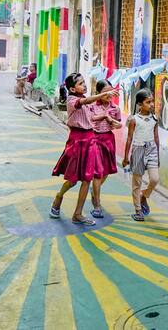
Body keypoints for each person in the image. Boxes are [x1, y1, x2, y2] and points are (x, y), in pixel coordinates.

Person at [49, 73, 116, 226]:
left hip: (89, 140)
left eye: (84, 82)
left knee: (87, 179)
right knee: (72, 180)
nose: (84, 85)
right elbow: (85, 100)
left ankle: (78, 213)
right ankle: (59, 197)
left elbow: (91, 118)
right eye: (81, 83)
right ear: (72, 88)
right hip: (77, 142)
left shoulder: (86, 102)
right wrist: (104, 93)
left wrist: (108, 119)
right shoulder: (73, 100)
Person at [122, 88, 160, 221]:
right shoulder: (134, 119)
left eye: (152, 102)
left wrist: (158, 155)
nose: (151, 104)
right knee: (137, 182)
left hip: (152, 150)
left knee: (155, 179)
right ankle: (138, 210)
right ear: (139, 104)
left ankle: (144, 196)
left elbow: (156, 137)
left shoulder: (155, 118)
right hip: (138, 150)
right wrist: (126, 157)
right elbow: (129, 139)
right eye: (148, 102)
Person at [89, 80, 122, 218]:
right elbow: (91, 119)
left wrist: (116, 124)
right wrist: (104, 117)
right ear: (98, 93)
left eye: (111, 91)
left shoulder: (115, 108)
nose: (109, 95)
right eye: (105, 92)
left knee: (106, 171)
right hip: (95, 139)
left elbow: (119, 124)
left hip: (109, 140)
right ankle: (97, 205)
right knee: (97, 172)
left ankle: (94, 189)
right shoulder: (92, 106)